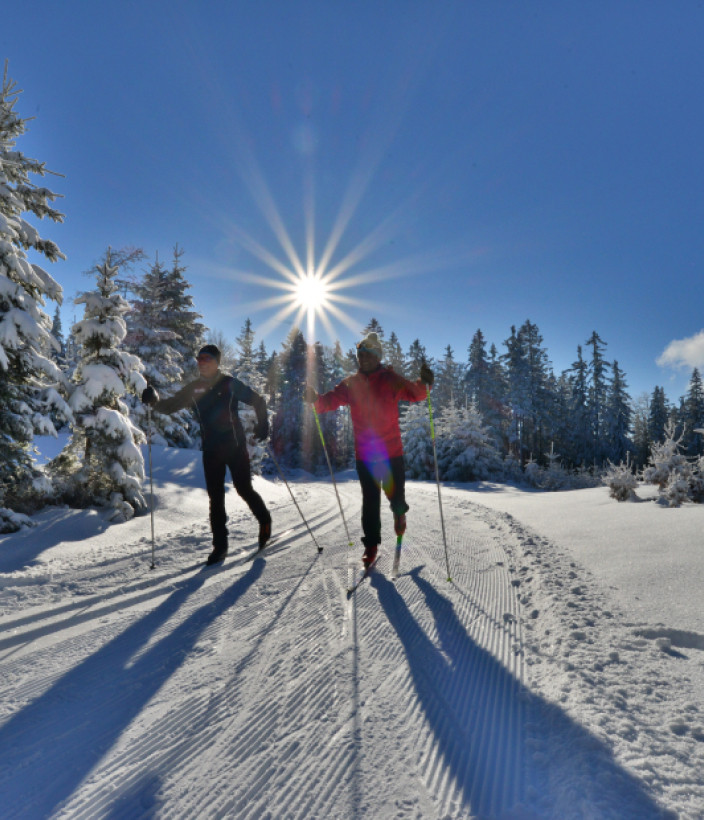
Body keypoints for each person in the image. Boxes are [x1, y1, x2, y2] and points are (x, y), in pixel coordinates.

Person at [304, 332, 434, 567]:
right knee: (370, 501)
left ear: (377, 357)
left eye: (368, 355)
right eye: (360, 355)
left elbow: (416, 394)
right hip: (365, 455)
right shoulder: (351, 383)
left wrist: (425, 383)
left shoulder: (390, 379)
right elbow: (329, 401)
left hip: (391, 452)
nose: (363, 359)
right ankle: (371, 545)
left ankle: (399, 512)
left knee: (395, 496)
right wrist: (315, 400)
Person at [142, 343, 272, 565]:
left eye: (206, 358)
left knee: (243, 488)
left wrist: (263, 424)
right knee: (215, 497)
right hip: (211, 449)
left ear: (217, 362)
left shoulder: (230, 384)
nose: (201, 363)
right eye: (199, 359)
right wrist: (153, 402)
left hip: (235, 446)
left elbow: (257, 400)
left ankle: (264, 520)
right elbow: (170, 406)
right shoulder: (194, 388)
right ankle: (220, 546)